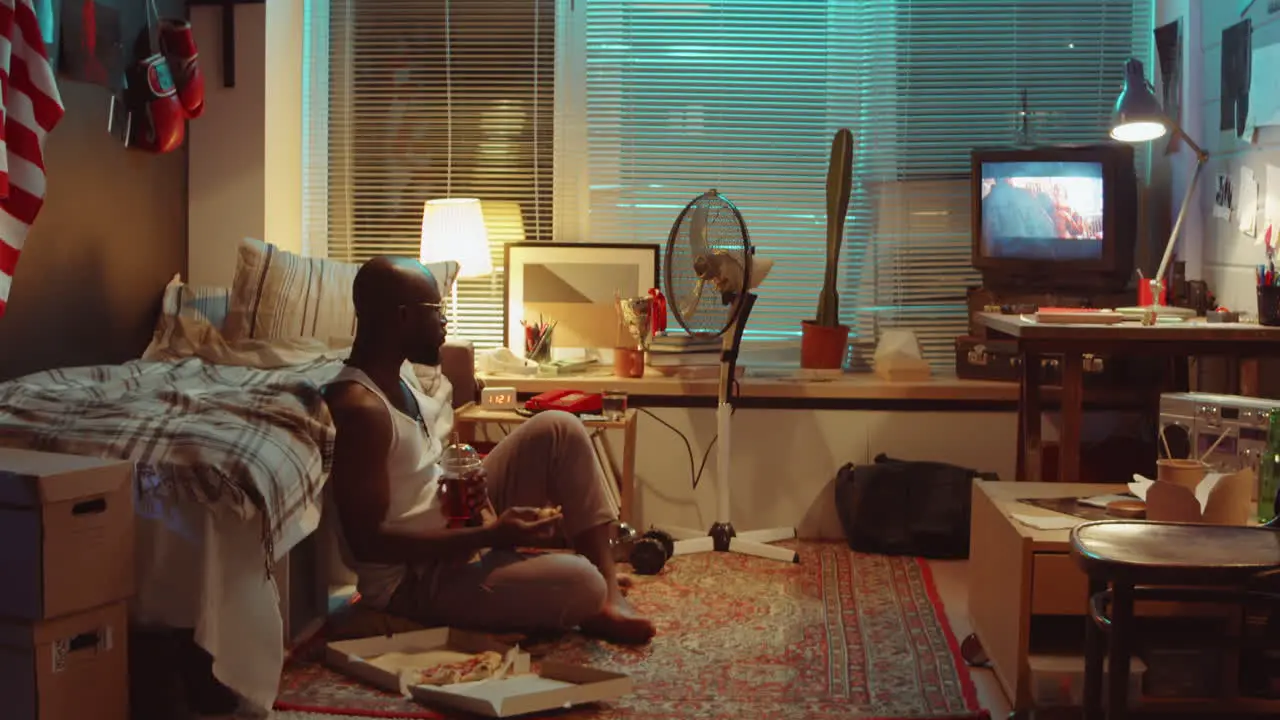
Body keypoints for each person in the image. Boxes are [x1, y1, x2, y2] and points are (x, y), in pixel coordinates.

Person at [323, 256, 655, 645]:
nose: (445, 321)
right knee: (580, 582)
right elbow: (369, 543)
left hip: (456, 529)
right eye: (436, 310)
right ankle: (588, 589)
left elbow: (415, 476)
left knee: (559, 428)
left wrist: (470, 483)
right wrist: (490, 536)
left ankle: (607, 597)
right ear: (402, 317)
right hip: (416, 580)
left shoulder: (402, 375)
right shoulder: (361, 409)